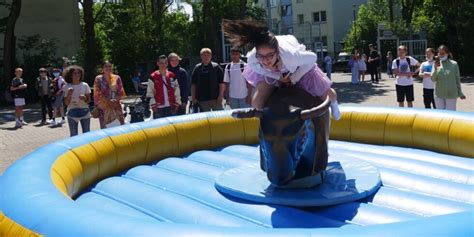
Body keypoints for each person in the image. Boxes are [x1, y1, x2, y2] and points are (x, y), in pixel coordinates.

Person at [222, 19, 340, 120]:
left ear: (277, 53)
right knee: (257, 103)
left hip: (300, 69)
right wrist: (278, 77)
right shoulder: (253, 58)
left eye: (270, 56)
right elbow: (256, 68)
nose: (265, 61)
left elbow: (313, 58)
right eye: (261, 56)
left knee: (328, 95)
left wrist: (293, 78)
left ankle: (334, 105)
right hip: (274, 73)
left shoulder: (291, 56)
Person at [431, 45, 466, 110]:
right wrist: (436, 69)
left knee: (451, 115)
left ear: (447, 53)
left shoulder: (454, 64)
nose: (441, 55)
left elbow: (457, 79)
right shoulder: (435, 64)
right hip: (439, 94)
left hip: (451, 94)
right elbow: (433, 79)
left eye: (443, 53)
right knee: (440, 115)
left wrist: (460, 92)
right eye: (439, 53)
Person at [93, 61, 126, 129]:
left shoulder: (117, 78)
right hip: (104, 108)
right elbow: (97, 93)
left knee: (119, 129)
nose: (108, 68)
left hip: (116, 106)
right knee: (105, 130)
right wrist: (108, 101)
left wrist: (115, 100)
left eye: (110, 66)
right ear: (102, 68)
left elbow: (121, 92)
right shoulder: (98, 79)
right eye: (106, 66)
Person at [62, 65, 92, 136]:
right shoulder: (66, 86)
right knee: (73, 135)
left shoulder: (85, 85)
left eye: (79, 73)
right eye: (75, 73)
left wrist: (85, 98)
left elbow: (89, 101)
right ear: (70, 75)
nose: (77, 75)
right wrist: (69, 94)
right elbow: (66, 103)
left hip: (84, 112)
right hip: (72, 113)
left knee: (87, 134)